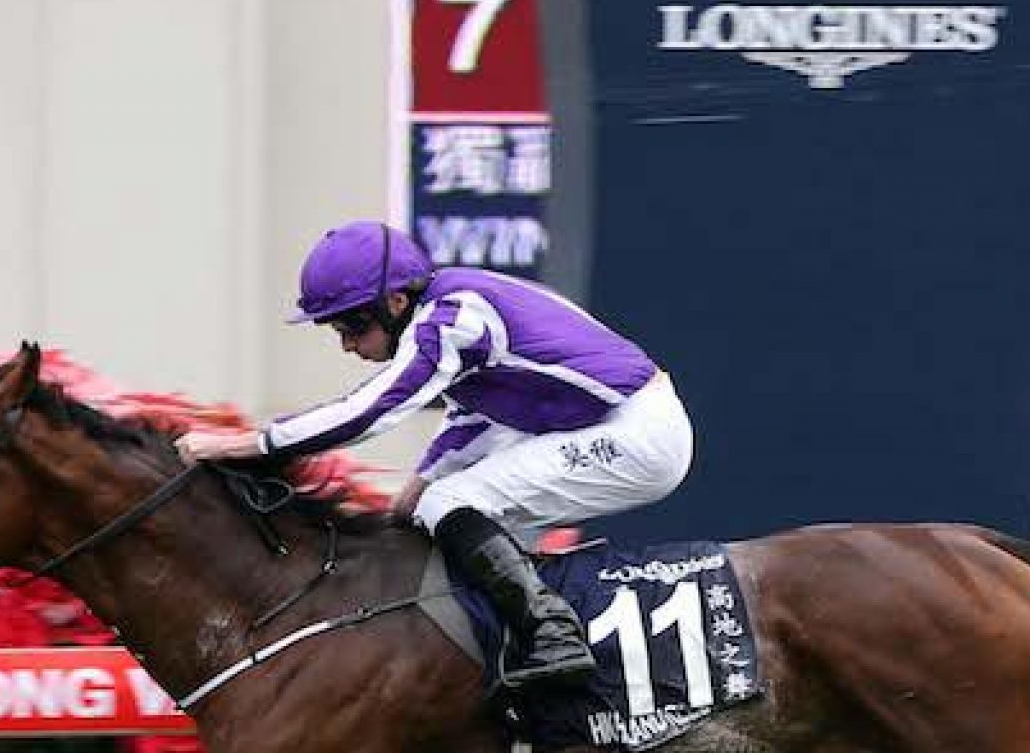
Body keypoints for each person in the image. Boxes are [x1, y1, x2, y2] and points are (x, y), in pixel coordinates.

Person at [178, 220, 694, 688]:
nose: (347, 346)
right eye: (337, 332)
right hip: (619, 422)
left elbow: (370, 411)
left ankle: (552, 635)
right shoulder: (452, 307)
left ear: (396, 303)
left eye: (352, 327)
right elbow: (472, 419)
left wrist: (246, 443)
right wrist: (415, 488)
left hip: (635, 432)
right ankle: (528, 633)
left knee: (450, 505)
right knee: (434, 506)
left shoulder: (451, 318)